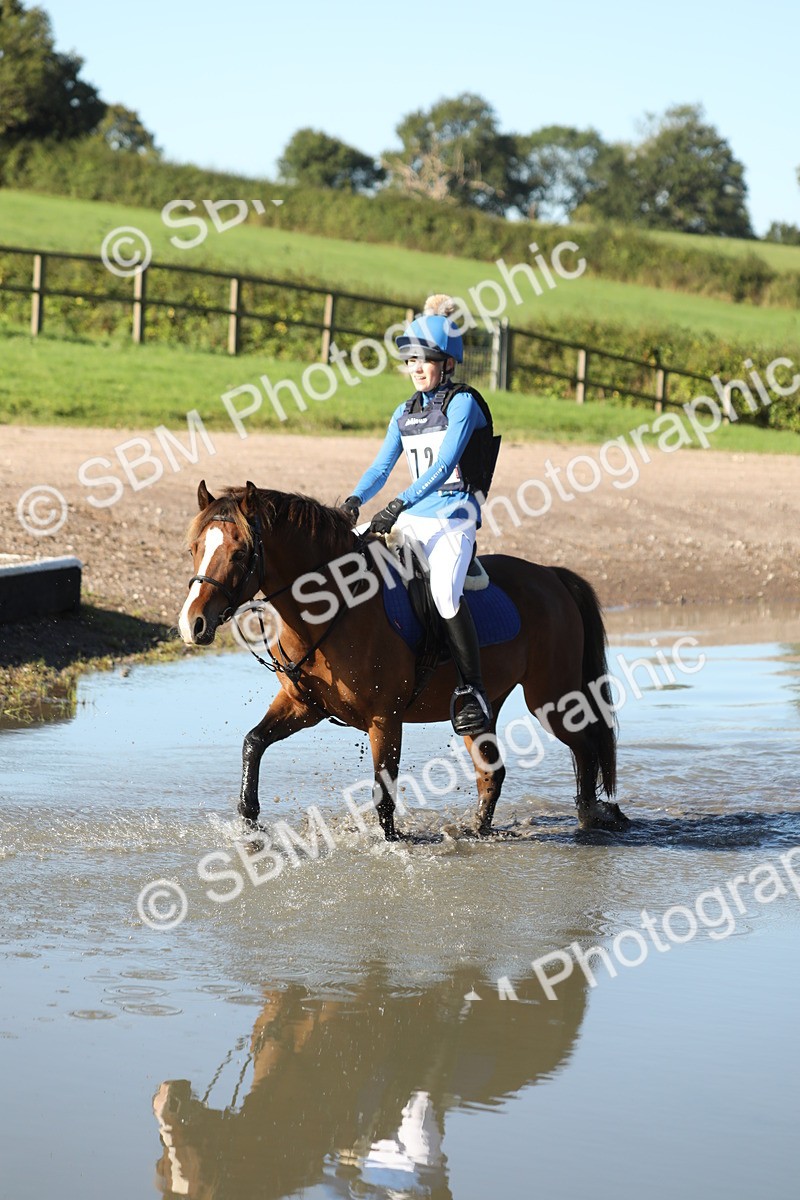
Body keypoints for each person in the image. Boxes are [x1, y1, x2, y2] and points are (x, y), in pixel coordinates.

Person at [341, 295, 500, 737]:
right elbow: (380, 468)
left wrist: (397, 504)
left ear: (447, 364)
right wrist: (354, 500)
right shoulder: (405, 412)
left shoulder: (463, 404)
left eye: (425, 359)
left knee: (446, 595)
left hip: (454, 517)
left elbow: (444, 466)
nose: (416, 367)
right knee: (348, 555)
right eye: (411, 359)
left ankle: (473, 690)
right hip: (413, 515)